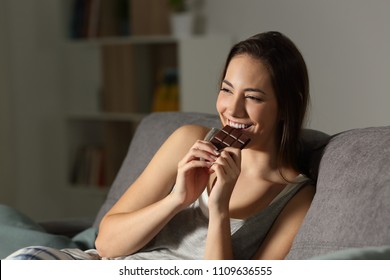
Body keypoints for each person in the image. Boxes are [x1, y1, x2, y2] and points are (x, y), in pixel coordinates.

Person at [6, 31, 314, 260]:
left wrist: (218, 210)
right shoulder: (189, 140)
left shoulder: (295, 198)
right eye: (226, 90)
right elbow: (106, 245)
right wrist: (178, 199)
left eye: (253, 97)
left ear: (286, 106)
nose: (232, 110)